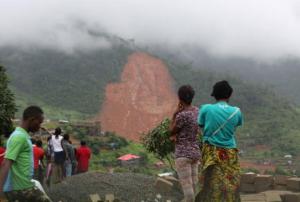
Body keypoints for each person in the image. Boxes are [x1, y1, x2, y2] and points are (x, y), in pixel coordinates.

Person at [196, 80, 243, 202]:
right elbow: (235, 126)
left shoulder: (206, 109)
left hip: (211, 151)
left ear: (214, 95)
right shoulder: (237, 112)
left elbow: (201, 125)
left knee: (210, 183)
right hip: (230, 153)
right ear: (229, 95)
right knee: (230, 182)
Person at [0, 106, 52, 202]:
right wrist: (0, 193)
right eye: (39, 122)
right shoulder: (19, 137)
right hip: (20, 189)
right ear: (32, 120)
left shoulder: (22, 135)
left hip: (24, 186)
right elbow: (6, 163)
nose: (39, 126)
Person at [170, 85, 201, 202]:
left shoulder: (182, 115)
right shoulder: (198, 111)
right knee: (194, 186)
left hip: (183, 155)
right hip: (195, 153)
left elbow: (171, 131)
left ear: (180, 98)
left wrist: (174, 115)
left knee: (188, 191)